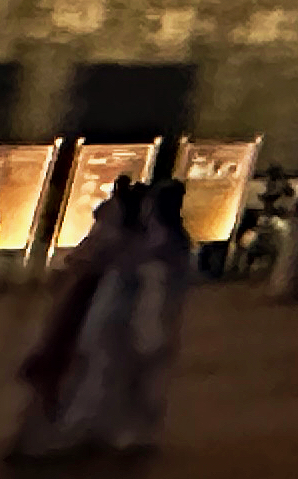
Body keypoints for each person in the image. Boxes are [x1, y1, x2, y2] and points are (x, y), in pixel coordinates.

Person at [11, 178, 193, 458]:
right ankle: (102, 430)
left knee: (106, 374)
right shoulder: (153, 244)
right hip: (111, 317)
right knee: (107, 374)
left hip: (117, 318)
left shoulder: (145, 247)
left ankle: (91, 430)